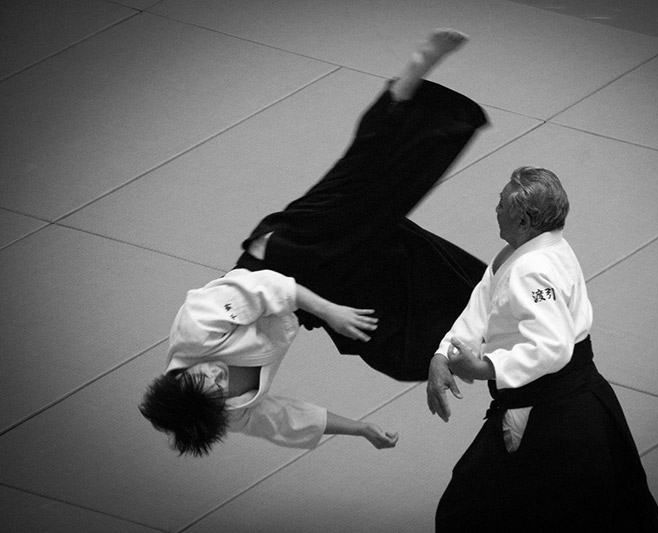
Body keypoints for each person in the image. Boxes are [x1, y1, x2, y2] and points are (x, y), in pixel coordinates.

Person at [140, 29, 488, 457]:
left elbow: (267, 287)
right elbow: (282, 418)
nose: (214, 378)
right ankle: (485, 323)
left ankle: (415, 70)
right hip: (313, 298)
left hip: (289, 252)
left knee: (366, 173)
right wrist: (361, 429)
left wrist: (332, 314)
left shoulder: (195, 330)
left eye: (201, 379)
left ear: (178, 377)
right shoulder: (228, 409)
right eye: (214, 391)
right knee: (399, 352)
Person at [427, 167, 658, 531]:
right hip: (561, 400)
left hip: (556, 409)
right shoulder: (525, 250)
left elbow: (554, 346)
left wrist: (486, 368)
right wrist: (443, 354)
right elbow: (481, 306)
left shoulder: (533, 268)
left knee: (472, 509)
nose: (495, 208)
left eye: (501, 203)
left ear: (524, 219)